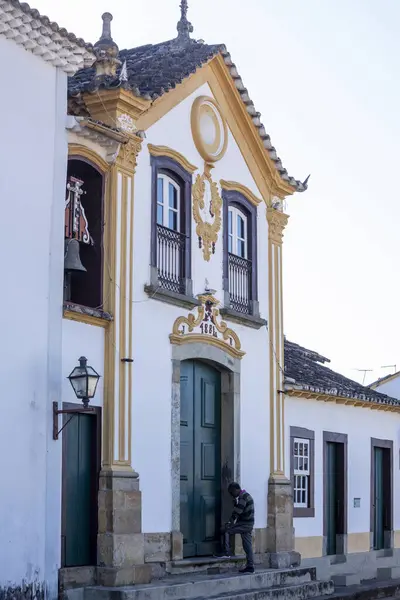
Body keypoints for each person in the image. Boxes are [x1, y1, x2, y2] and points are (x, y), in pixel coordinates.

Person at [219, 482, 255, 573]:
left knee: (226, 530)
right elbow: (240, 509)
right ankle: (250, 566)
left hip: (245, 524)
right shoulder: (246, 495)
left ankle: (226, 552)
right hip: (248, 523)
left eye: (231, 493)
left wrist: (230, 522)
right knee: (247, 545)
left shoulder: (243, 497)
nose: (231, 495)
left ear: (236, 490)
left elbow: (238, 511)